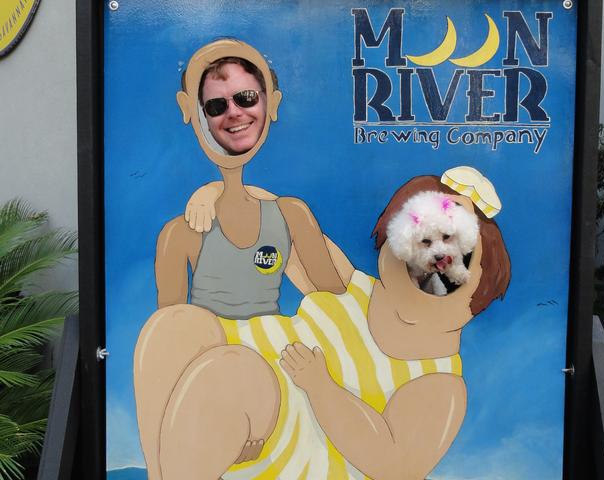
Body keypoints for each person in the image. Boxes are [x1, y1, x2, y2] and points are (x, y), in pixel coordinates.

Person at [135, 171, 511, 479]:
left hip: (297, 454)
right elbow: (280, 219)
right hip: (231, 415)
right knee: (174, 327)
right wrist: (213, 192)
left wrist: (321, 387)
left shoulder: (441, 384)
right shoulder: (350, 287)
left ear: (478, 294)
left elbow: (395, 464)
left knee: (233, 372)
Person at [134, 39, 348, 480]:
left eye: (246, 98)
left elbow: (335, 301)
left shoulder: (289, 214)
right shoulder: (180, 233)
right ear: (195, 113)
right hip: (204, 366)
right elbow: (165, 346)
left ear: (271, 102)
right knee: (174, 329)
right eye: (216, 105)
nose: (234, 113)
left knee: (232, 369)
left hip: (273, 369)